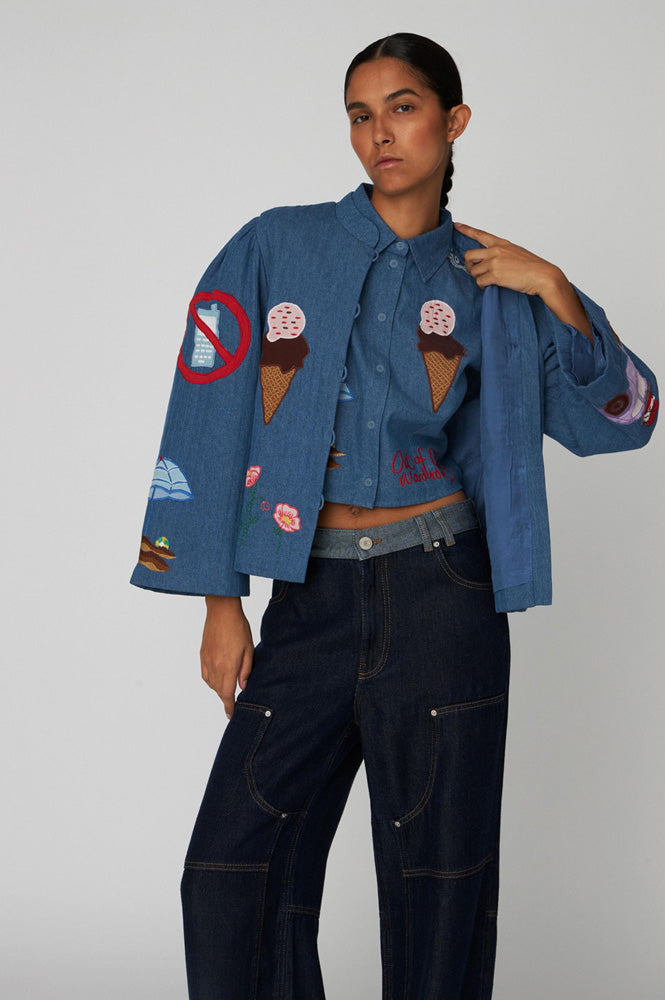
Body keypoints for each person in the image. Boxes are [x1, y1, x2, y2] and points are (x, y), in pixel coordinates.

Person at [129, 32, 658, 1000]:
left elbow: (622, 420)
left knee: (439, 885)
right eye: (359, 114)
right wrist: (218, 598)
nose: (379, 133)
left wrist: (553, 287)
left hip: (441, 595)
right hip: (309, 597)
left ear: (453, 123)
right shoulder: (274, 246)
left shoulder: (492, 281)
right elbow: (206, 407)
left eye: (402, 108)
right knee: (230, 873)